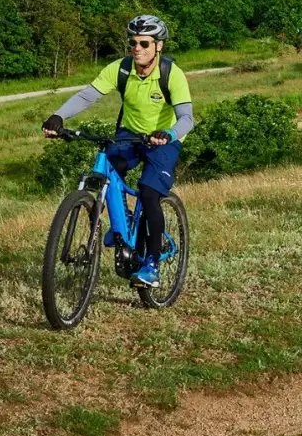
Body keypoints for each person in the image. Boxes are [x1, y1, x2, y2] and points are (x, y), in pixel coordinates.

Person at [41, 15, 194, 287]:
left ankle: (151, 264)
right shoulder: (121, 69)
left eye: (144, 43)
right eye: (133, 42)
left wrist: (168, 134)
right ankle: (122, 227)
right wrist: (58, 116)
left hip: (164, 138)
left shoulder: (172, 74)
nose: (137, 48)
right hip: (130, 134)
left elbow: (187, 119)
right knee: (107, 170)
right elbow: (88, 95)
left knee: (149, 192)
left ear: (158, 46)